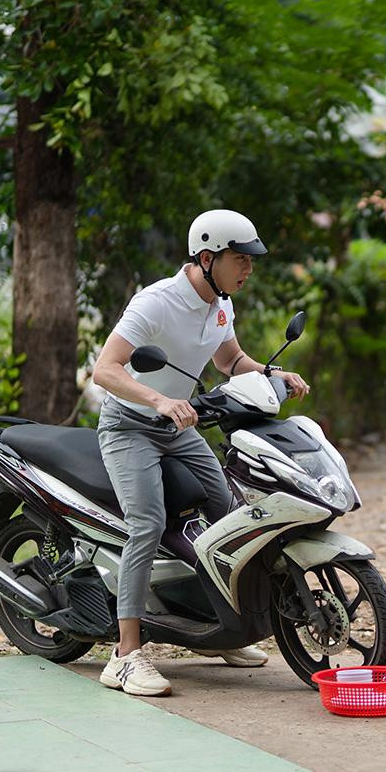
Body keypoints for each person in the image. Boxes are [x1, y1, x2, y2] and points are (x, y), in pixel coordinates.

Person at [92, 209, 310, 696]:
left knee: (229, 512)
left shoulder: (221, 301)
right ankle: (125, 655)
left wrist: (271, 375)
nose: (248, 269)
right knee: (146, 524)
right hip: (130, 426)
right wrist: (160, 400)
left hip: (179, 426)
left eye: (251, 260)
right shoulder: (157, 302)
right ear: (208, 257)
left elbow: (229, 359)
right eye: (241, 259)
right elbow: (105, 369)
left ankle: (222, 630)